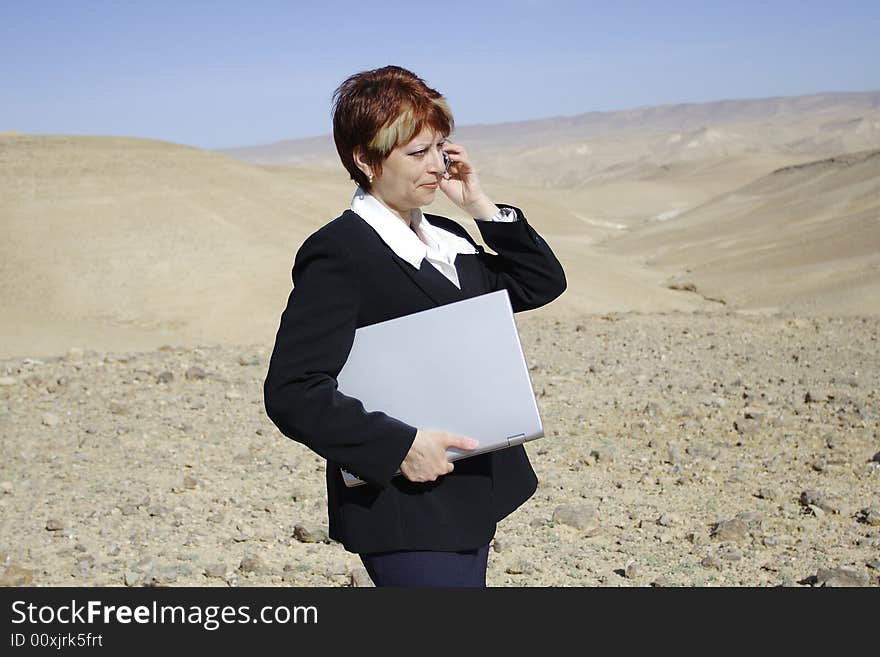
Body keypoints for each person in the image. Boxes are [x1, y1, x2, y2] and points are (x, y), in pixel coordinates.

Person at [263, 65, 566, 587]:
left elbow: (540, 283)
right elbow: (293, 392)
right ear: (366, 159)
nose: (437, 165)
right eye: (417, 152)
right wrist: (398, 447)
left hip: (470, 495)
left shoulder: (447, 236)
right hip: (405, 505)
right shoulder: (341, 252)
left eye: (440, 147)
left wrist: (478, 205)